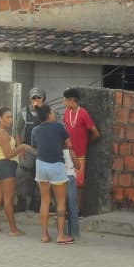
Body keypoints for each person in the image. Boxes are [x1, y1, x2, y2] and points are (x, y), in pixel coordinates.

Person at [31, 104, 78, 244]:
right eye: (53, 112)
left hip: (40, 165)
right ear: (49, 115)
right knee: (61, 201)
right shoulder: (59, 127)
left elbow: (35, 148)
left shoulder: (35, 130)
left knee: (45, 200)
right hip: (56, 165)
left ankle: (44, 235)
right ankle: (61, 236)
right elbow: (69, 145)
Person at [0, 106, 32, 235]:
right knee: (8, 200)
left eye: (12, 117)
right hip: (6, 166)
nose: (11, 120)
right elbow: (8, 154)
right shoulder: (3, 134)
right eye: (7, 117)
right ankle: (13, 229)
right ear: (0, 118)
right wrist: (22, 147)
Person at [14, 88, 45, 213]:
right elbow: (17, 130)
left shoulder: (48, 112)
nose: (36, 100)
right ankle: (21, 202)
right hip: (27, 149)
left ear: (43, 99)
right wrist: (19, 148)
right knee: (21, 174)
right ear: (30, 99)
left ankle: (36, 202)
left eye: (38, 98)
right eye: (33, 98)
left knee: (40, 176)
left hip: (42, 150)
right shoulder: (23, 112)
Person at [62, 87, 98, 188]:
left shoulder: (83, 113)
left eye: (65, 99)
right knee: (65, 183)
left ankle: (77, 204)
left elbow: (96, 133)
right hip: (67, 153)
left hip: (80, 155)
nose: (63, 102)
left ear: (72, 100)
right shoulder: (66, 113)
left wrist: (86, 143)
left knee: (78, 184)